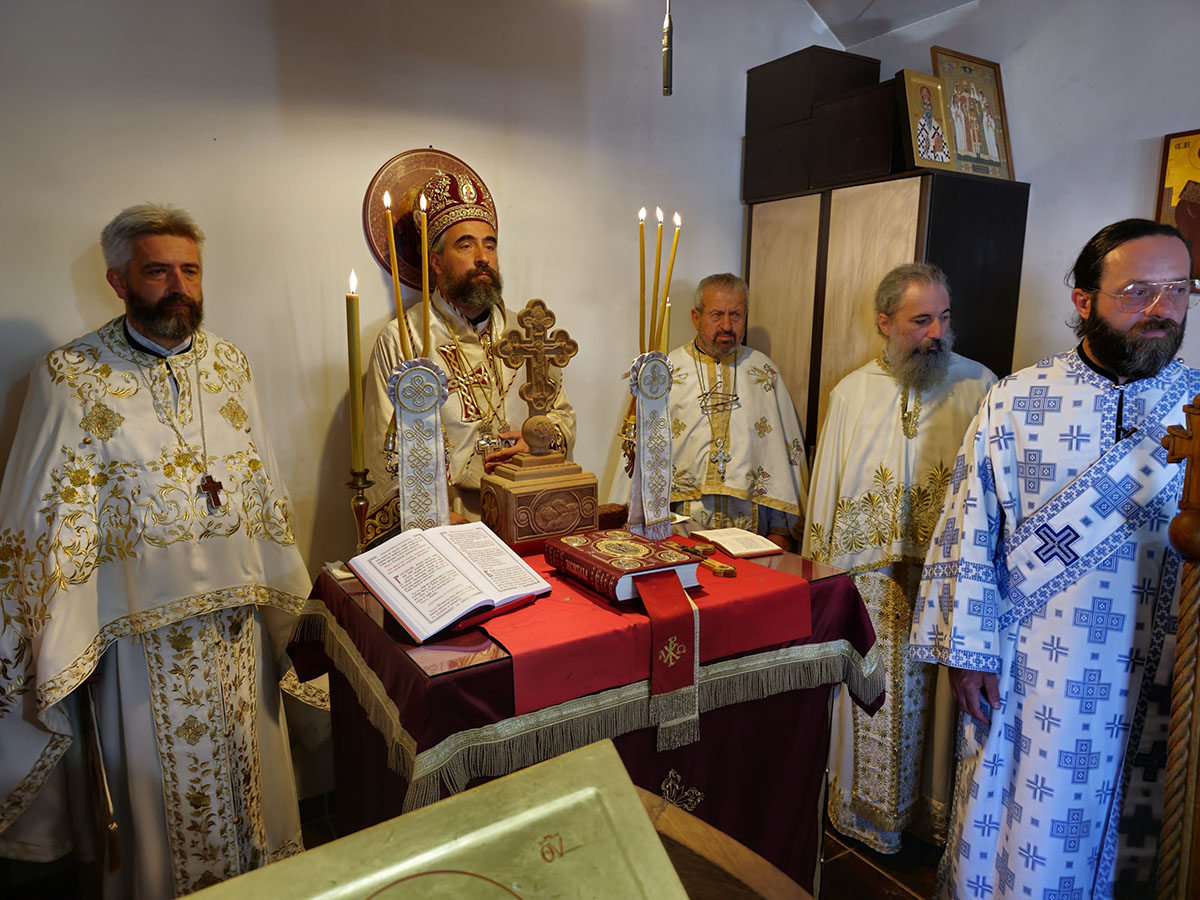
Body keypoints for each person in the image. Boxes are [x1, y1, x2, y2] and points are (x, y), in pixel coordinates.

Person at [0, 204, 314, 897]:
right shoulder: (70, 376)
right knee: (161, 816)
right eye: (158, 272)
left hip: (236, 627)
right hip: (138, 643)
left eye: (190, 271)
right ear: (118, 281)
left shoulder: (230, 364)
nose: (179, 287)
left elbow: (262, 481)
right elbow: (45, 514)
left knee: (255, 790)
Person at [909, 219, 1199, 897]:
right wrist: (968, 652)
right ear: (1084, 300)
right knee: (1028, 841)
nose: (1161, 309)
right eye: (1138, 291)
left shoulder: (1199, 403)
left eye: (1178, 290)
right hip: (1038, 678)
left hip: (1170, 676)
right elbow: (968, 529)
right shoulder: (1017, 400)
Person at [803, 263, 995, 853]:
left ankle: (931, 824)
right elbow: (827, 490)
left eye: (944, 317)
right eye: (921, 320)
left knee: (942, 711)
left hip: (947, 584)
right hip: (871, 585)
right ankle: (869, 817)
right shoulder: (852, 393)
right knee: (874, 700)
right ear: (885, 323)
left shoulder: (982, 387)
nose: (937, 332)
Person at [362, 171, 576, 532]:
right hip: (452, 518)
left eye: (490, 245)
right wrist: (430, 515)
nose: (483, 258)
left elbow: (562, 414)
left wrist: (541, 439)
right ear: (436, 262)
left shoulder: (528, 333)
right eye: (466, 246)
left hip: (528, 506)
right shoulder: (403, 340)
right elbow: (382, 445)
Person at [668, 273, 807, 550]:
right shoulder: (670, 371)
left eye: (736, 315)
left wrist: (781, 531)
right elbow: (650, 458)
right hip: (681, 530)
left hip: (754, 534)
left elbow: (783, 460)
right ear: (696, 317)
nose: (727, 325)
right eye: (716, 315)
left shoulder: (763, 372)